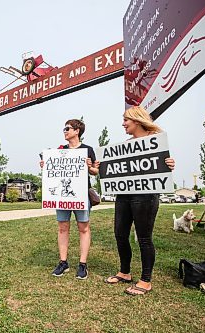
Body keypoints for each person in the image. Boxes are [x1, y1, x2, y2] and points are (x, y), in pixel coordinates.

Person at [104, 106, 175, 296]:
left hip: (146, 196)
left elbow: (162, 166)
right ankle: (124, 272)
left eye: (126, 120)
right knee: (120, 234)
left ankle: (145, 280)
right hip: (123, 196)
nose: (123, 123)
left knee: (144, 238)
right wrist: (98, 168)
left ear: (136, 120)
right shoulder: (126, 145)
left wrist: (169, 164)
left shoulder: (156, 142)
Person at [40, 119, 100, 280]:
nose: (65, 131)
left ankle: (82, 264)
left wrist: (90, 167)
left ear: (77, 131)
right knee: (62, 227)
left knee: (84, 228)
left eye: (67, 128)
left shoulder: (88, 150)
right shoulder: (60, 151)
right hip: (61, 196)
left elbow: (95, 171)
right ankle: (63, 262)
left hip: (81, 195)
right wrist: (45, 165)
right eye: (64, 129)